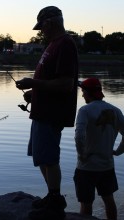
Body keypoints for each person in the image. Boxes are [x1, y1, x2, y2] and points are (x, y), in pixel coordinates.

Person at [16, 6, 78, 220]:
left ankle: (55, 200)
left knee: (49, 157)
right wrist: (34, 92)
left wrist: (33, 82)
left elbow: (66, 84)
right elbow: (51, 80)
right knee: (40, 155)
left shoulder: (65, 45)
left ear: (50, 23)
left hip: (52, 113)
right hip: (41, 110)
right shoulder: (52, 45)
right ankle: (52, 195)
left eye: (41, 27)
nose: (40, 31)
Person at [74, 78, 124, 220]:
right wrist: (118, 151)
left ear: (88, 93)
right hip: (107, 166)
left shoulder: (84, 110)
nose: (82, 95)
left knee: (86, 204)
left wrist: (81, 154)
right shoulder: (116, 110)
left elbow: (79, 137)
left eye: (83, 92)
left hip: (86, 167)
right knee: (109, 201)